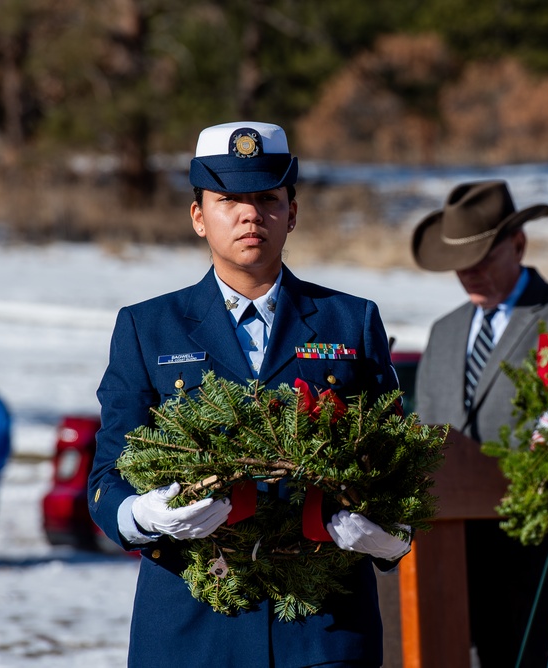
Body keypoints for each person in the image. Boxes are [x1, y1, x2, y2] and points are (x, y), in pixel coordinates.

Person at [88, 121, 408, 668]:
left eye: (267, 198)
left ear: (293, 211)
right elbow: (106, 479)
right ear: (198, 216)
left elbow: (398, 468)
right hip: (192, 631)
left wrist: (391, 537)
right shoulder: (149, 327)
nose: (250, 214)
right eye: (229, 199)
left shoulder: (350, 321)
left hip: (322, 630)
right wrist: (145, 514)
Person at [412, 180, 548, 668]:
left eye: (482, 259)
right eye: (461, 264)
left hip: (543, 559)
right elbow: (427, 441)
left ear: (518, 244)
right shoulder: (443, 332)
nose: (470, 274)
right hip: (451, 565)